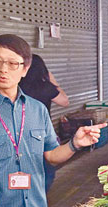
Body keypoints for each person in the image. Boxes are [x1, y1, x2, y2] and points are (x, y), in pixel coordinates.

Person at [0, 34, 106, 207]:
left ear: (25, 69)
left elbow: (51, 156)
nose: (4, 69)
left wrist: (75, 144)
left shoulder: (37, 109)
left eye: (13, 63)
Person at [18, 54, 69, 193]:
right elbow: (65, 101)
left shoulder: (17, 86)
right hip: (42, 133)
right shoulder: (46, 87)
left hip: (18, 132)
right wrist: (53, 81)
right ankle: (40, 194)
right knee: (47, 167)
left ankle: (26, 194)